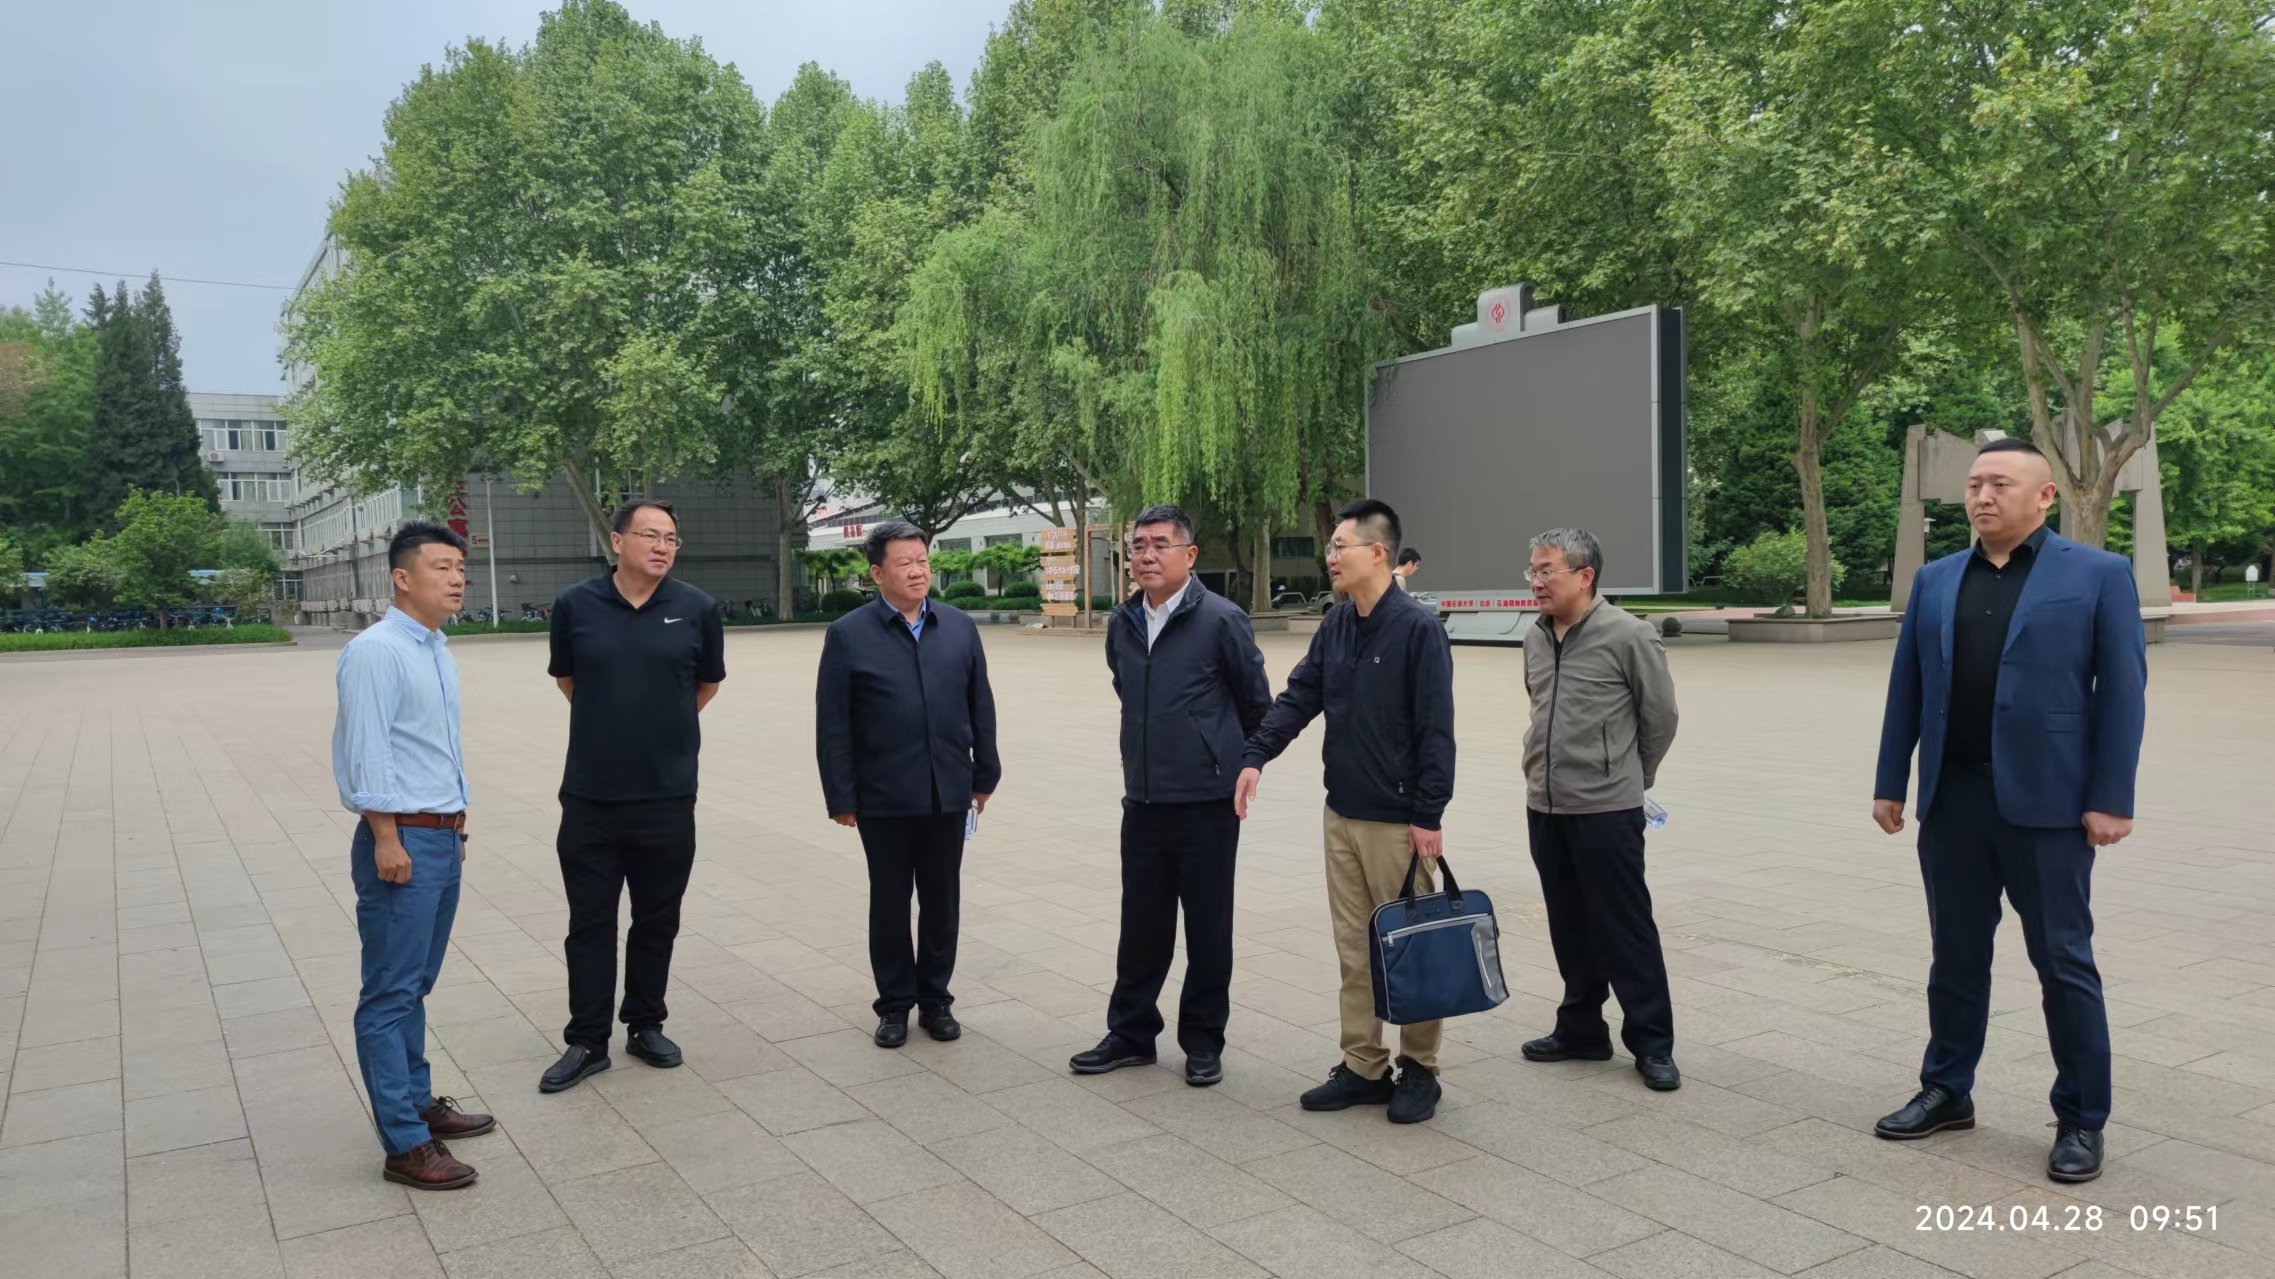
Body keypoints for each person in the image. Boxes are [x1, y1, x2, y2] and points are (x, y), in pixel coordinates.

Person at [1872, 437, 2146, 1185]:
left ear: (2044, 496)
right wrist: (1891, 780)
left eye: (1999, 483)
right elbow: (1907, 687)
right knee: (1954, 956)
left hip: (2050, 808)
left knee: (2062, 960)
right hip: (1954, 801)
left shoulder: (2097, 574)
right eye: (1974, 485)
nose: (1982, 496)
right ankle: (1946, 1089)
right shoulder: (1935, 579)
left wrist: (2110, 798)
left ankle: (2081, 1117)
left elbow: (2123, 692)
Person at [1236, 499, 1456, 1124]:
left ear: (1378, 553)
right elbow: (1299, 696)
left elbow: (1436, 731)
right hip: (1343, 813)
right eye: (1330, 547)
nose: (1330, 556)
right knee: (1355, 949)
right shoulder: (1336, 624)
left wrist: (1429, 815)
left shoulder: (1418, 629)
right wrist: (1255, 756)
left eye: (1340, 546)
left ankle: (1420, 1068)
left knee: (1410, 948)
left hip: (1399, 823)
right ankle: (1363, 1065)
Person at [1070, 505, 1273, 1087]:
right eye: (1138, 545)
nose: (1147, 555)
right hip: (1143, 800)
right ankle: (1131, 1033)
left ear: (1190, 554)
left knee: (1208, 929)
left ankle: (1204, 1040)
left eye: (1160, 544)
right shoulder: (1123, 622)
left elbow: (1257, 705)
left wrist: (1238, 763)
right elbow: (1127, 689)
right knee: (1141, 926)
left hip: (1208, 803)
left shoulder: (1222, 619)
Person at [540, 500, 727, 1093]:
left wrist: (660, 728)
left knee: (657, 920)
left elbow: (706, 684)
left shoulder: (697, 609)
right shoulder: (576, 605)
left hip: (667, 796)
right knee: (589, 924)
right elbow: (568, 679)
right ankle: (587, 1041)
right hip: (590, 797)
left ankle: (646, 1024)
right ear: (617, 541)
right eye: (650, 535)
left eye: (671, 538)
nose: (663, 546)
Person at [333, 522, 493, 1190]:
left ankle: (420, 1103)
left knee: (415, 983)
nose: (456, 578)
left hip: (439, 833)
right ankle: (404, 1142)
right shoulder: (376, 651)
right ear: (402, 578)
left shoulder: (434, 648)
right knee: (390, 991)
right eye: (440, 567)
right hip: (400, 838)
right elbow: (367, 749)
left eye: (459, 567)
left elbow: (429, 748)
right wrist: (387, 836)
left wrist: (454, 825)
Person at [817, 521, 1001, 1048]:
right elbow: (833, 722)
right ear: (878, 574)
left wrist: (985, 774)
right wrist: (841, 795)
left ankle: (936, 1001)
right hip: (883, 796)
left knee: (942, 900)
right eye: (905, 563)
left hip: (949, 790)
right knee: (891, 902)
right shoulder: (848, 634)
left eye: (923, 560)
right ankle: (895, 1005)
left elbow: (980, 704)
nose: (918, 571)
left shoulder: (958, 627)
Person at [1516, 529, 1682, 1091]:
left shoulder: (1629, 634)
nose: (1536, 582)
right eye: (1532, 571)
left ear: (1584, 576)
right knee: (1569, 923)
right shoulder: (1535, 637)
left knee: (1624, 926)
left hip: (1607, 809)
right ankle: (1582, 1030)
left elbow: (1661, 718)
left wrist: (1632, 776)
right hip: (1546, 803)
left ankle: (1653, 1042)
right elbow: (1539, 706)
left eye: (1547, 571)